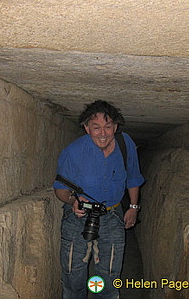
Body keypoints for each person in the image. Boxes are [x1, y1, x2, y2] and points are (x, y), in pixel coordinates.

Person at [53, 100, 145, 299]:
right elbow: (60, 189)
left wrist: (133, 207)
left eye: (108, 126)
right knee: (73, 274)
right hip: (78, 218)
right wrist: (73, 202)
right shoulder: (73, 152)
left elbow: (133, 177)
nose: (103, 133)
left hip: (112, 215)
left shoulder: (125, 143)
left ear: (116, 127)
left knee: (109, 276)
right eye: (96, 127)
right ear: (87, 128)